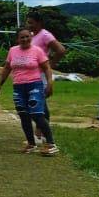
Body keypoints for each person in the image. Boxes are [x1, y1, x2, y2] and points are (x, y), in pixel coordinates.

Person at [0, 28, 58, 156]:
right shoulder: (13, 51)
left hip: (34, 85)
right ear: (17, 39)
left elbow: (46, 67)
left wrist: (50, 83)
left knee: (37, 114)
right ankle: (31, 143)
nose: (25, 39)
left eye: (27, 37)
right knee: (23, 115)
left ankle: (51, 144)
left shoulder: (37, 51)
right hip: (18, 87)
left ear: (31, 37)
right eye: (21, 37)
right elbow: (7, 68)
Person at [26, 11, 66, 141]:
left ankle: (40, 133)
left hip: (41, 75)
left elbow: (61, 50)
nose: (29, 25)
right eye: (28, 22)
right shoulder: (32, 36)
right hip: (31, 75)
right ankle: (42, 132)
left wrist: (49, 65)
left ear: (39, 23)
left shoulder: (45, 35)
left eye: (31, 22)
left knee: (38, 103)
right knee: (36, 102)